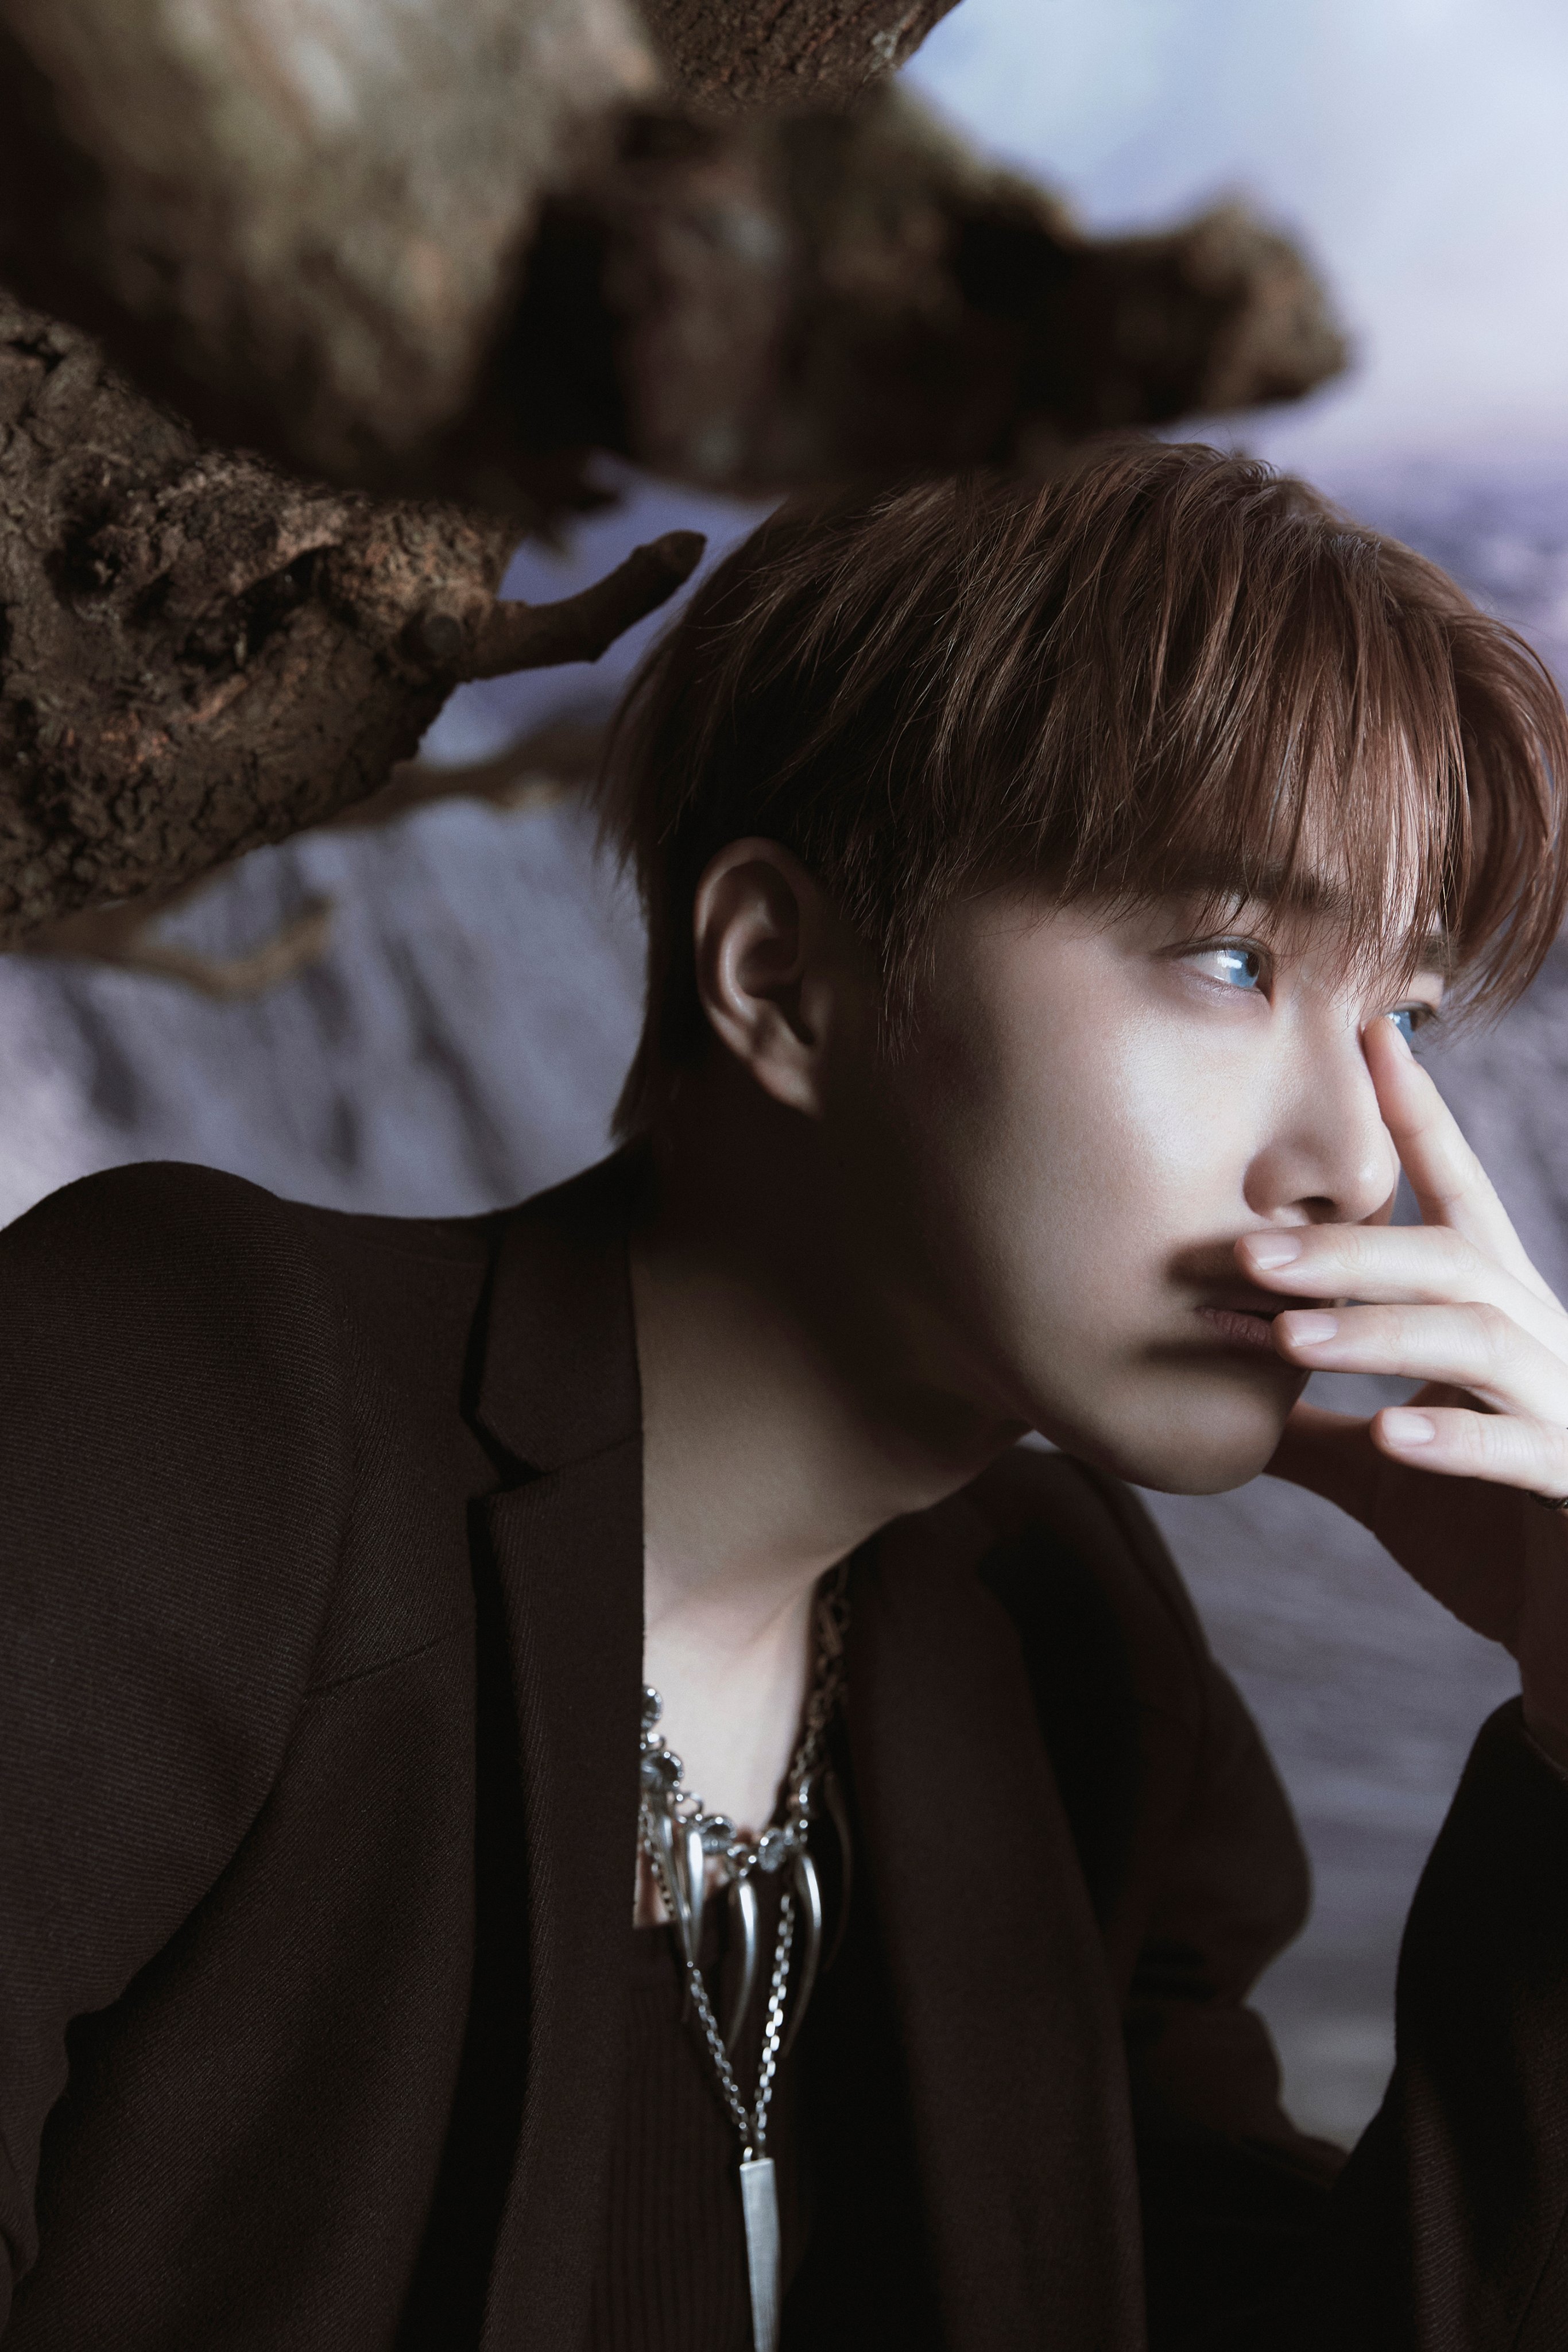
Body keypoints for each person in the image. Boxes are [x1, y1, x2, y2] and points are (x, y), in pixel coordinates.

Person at [3, 443, 1568, 2352]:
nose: (1356, 1162)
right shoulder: (187, 1410)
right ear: (779, 976)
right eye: (1230, 959)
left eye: (1398, 1018)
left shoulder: (1072, 1656)